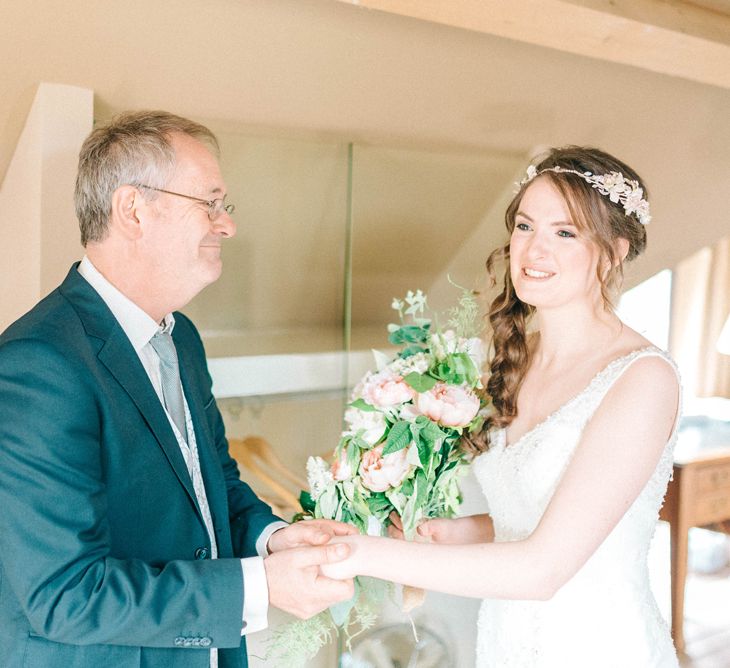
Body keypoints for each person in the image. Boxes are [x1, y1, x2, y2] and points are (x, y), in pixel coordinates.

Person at [0, 111, 356, 668]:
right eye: (209, 202)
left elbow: (212, 487)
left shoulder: (180, 336)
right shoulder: (39, 365)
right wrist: (260, 587)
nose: (227, 224)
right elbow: (64, 595)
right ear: (133, 210)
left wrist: (273, 540)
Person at [322, 146, 681, 667]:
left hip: (596, 645)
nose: (534, 251)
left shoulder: (641, 380)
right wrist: (458, 532)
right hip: (508, 640)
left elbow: (542, 569)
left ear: (615, 250)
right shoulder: (519, 357)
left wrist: (358, 553)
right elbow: (541, 509)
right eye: (525, 226)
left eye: (565, 232)